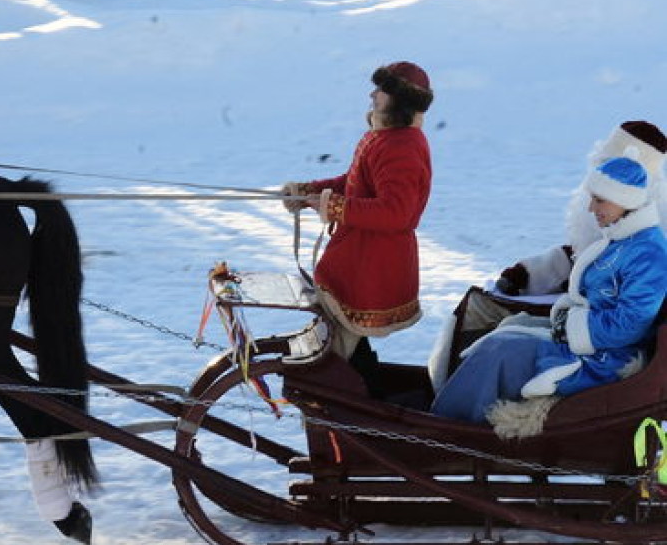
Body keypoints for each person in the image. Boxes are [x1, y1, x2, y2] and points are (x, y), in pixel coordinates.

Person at [427, 120, 667, 388]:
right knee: (484, 310)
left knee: (489, 323)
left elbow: (631, 317)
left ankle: (455, 405)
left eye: (601, 195)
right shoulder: (617, 224)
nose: (590, 205)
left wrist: (571, 324)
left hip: (591, 328)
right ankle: (448, 390)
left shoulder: (647, 243)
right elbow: (576, 256)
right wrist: (528, 273)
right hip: (576, 308)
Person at [282, 61, 434, 374]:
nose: (372, 94)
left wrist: (334, 207)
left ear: (399, 100)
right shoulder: (384, 137)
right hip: (356, 255)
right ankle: (361, 387)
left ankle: (347, 400)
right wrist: (310, 190)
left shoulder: (402, 147)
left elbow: (396, 212)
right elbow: (354, 182)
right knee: (341, 334)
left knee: (339, 342)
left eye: (381, 90)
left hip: (372, 263)